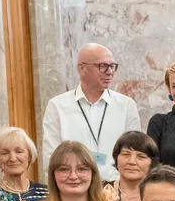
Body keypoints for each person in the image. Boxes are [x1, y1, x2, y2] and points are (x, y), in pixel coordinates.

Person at [41, 43, 140, 180]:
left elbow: (134, 154)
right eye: (102, 66)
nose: (110, 71)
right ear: (82, 68)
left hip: (116, 188)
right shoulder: (57, 106)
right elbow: (51, 157)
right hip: (74, 186)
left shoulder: (126, 105)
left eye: (112, 66)